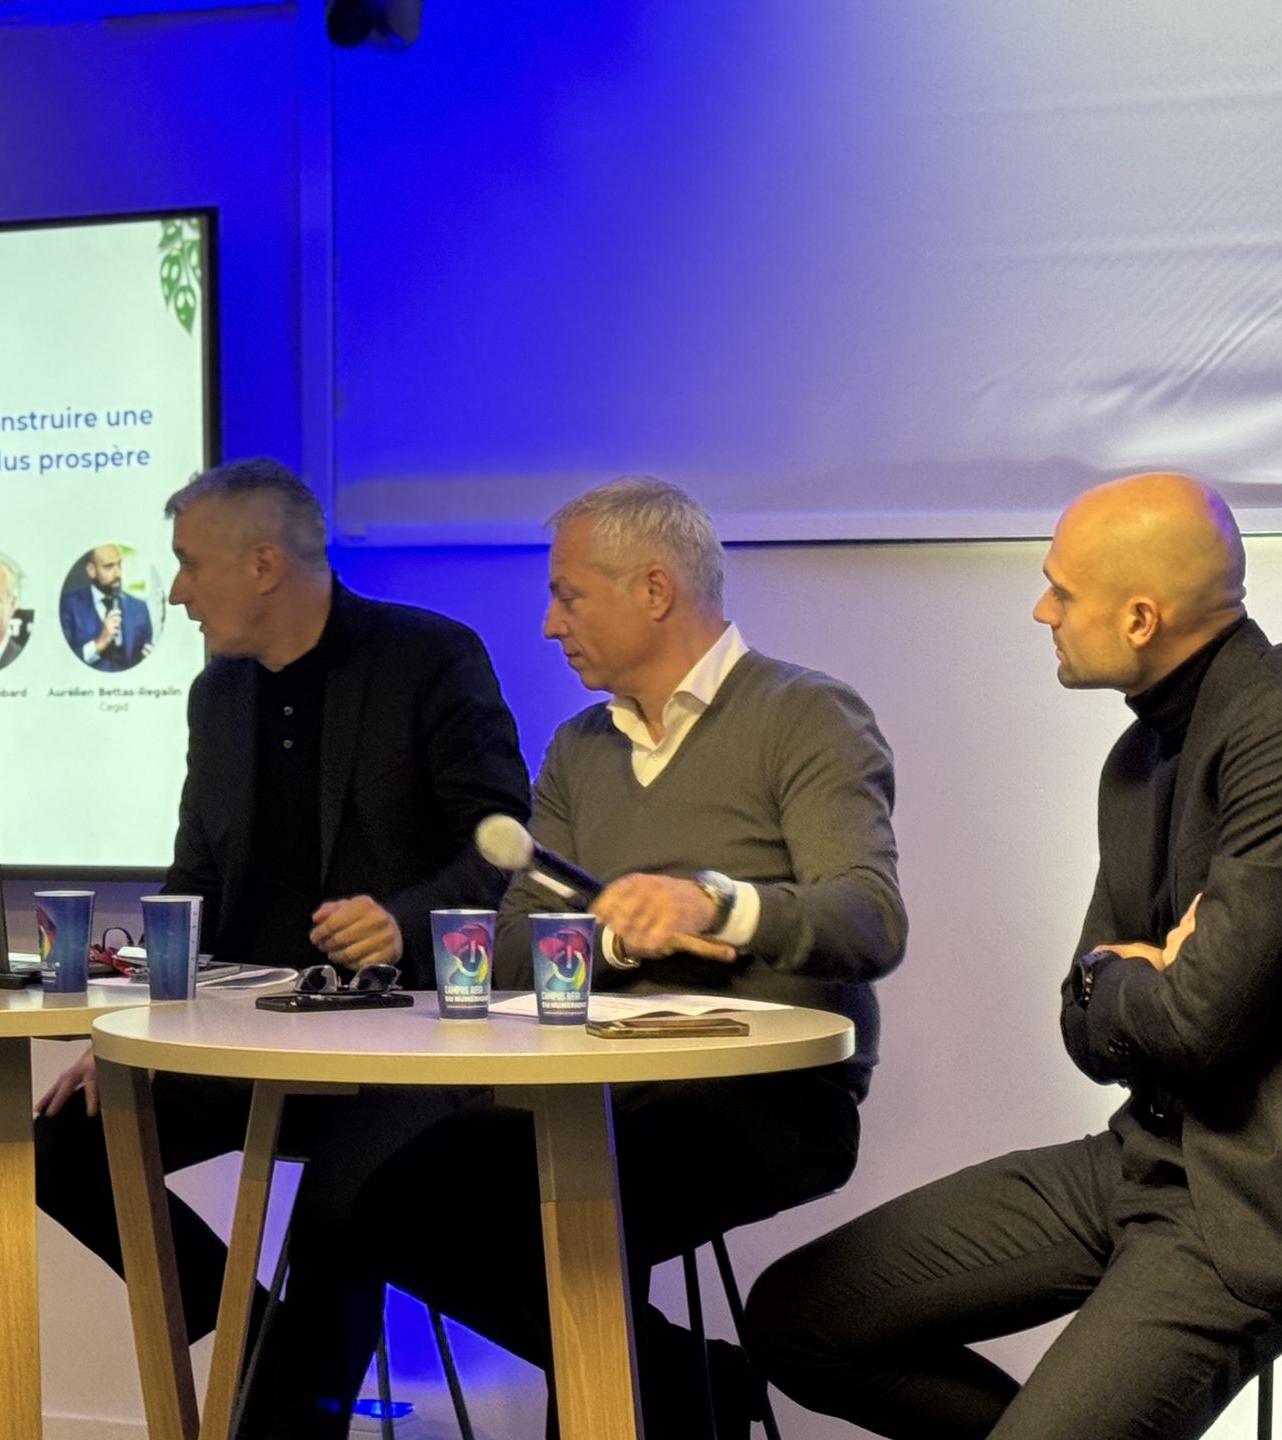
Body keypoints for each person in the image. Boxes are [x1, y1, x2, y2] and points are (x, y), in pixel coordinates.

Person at [274, 477, 908, 1439]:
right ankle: (691, 1384)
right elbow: (515, 946)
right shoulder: (579, 747)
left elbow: (869, 917)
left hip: (760, 1102)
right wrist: (610, 935)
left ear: (654, 590)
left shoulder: (806, 713)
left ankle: (656, 1398)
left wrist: (717, 905)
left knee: (560, 1220)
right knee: (385, 1202)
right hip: (591, 1096)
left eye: (568, 595)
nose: (548, 624)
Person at [744, 472, 1282, 1440]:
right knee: (798, 1319)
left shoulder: (1273, 732)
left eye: (1061, 592)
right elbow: (1085, 1017)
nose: (1042, 611)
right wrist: (1128, 975)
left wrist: (1125, 984)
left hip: (1248, 1204)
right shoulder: (1137, 759)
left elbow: (1200, 1025)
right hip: (1140, 1158)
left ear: (1142, 618)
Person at [33, 458, 530, 1433]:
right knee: (62, 1144)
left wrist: (402, 919)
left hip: (399, 1045)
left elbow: (501, 843)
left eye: (189, 565)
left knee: (347, 1207)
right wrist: (133, 1028)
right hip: (243, 1030)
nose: (176, 594)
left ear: (264, 565)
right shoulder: (217, 694)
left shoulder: (428, 657)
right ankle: (258, 1333)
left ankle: (285, 1403)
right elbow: (194, 879)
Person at [58, 542, 154, 671]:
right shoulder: (68, 606)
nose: (118, 574)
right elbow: (61, 663)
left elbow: (147, 652)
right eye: (109, 567)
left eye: (119, 564)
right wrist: (100, 643)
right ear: (91, 570)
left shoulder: (139, 607)